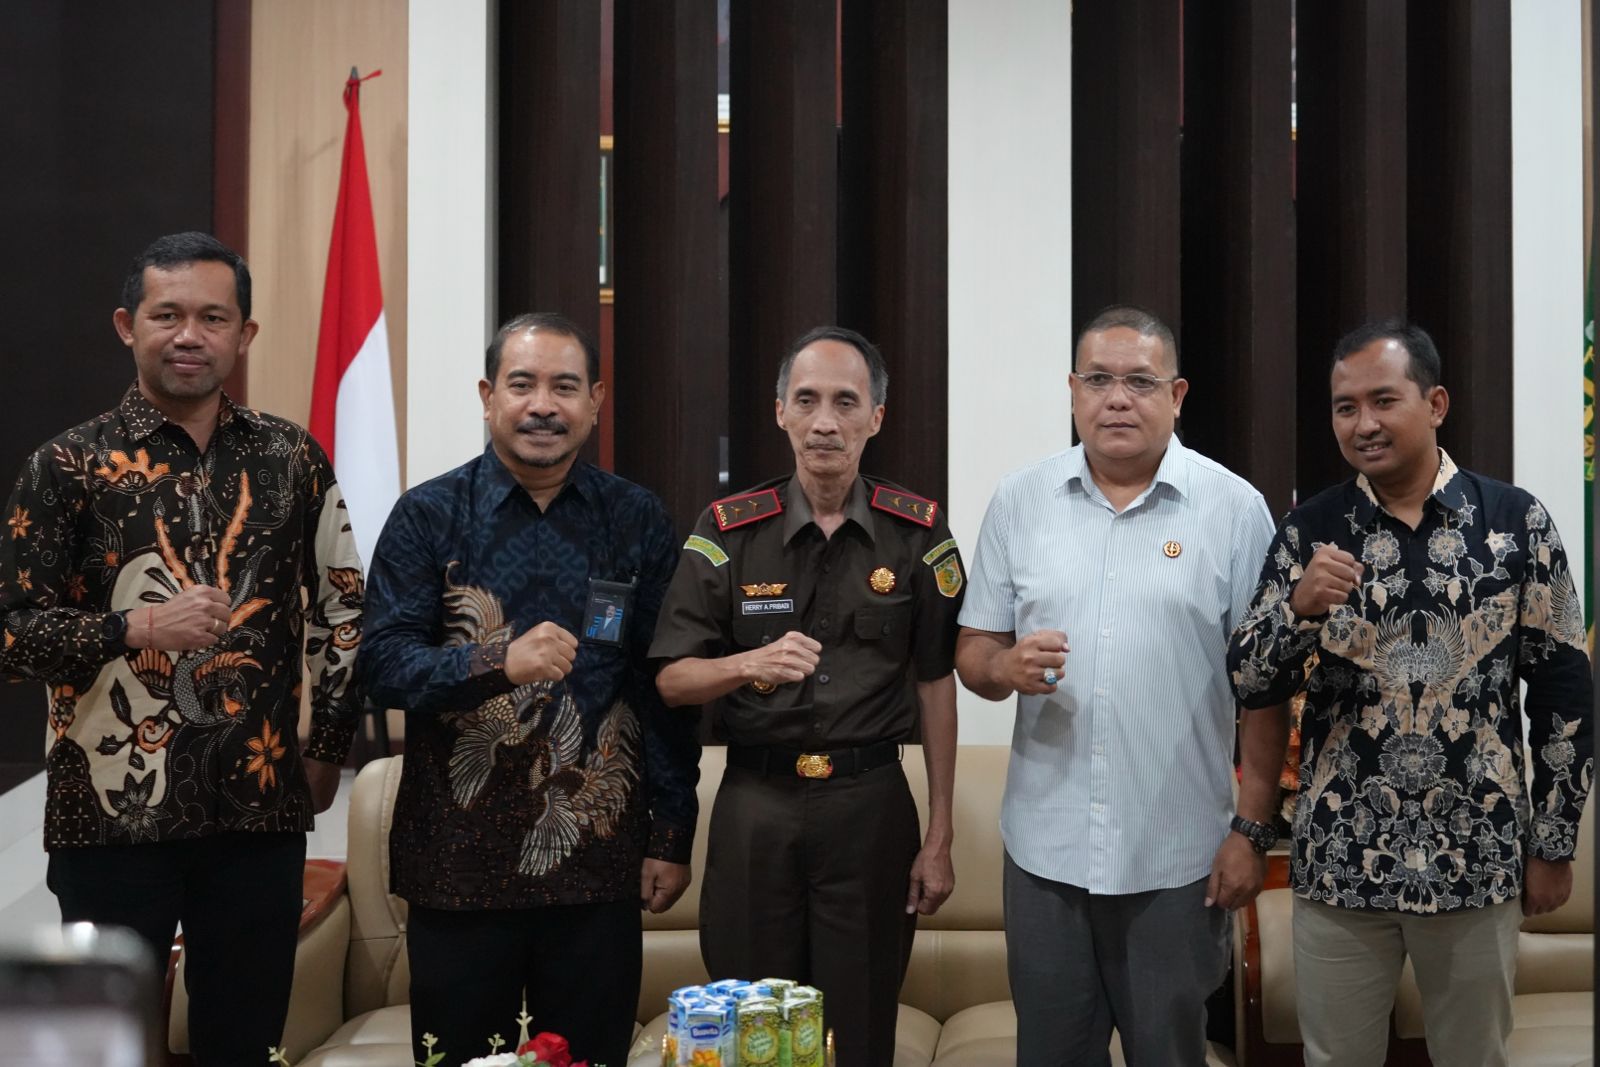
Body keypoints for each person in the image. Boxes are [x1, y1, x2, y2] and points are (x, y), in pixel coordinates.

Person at [0, 231, 363, 1063]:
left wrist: (327, 747)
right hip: (109, 817)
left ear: (245, 333)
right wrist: (131, 629)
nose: (189, 335)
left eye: (213, 317)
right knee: (111, 1043)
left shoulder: (291, 457)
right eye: (167, 315)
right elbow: (12, 633)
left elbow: (344, 606)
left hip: (259, 812)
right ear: (127, 324)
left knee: (244, 1041)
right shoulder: (65, 465)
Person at [1227, 320, 1593, 1067]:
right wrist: (1298, 609)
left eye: (1383, 400)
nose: (1363, 423)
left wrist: (1554, 844)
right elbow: (1249, 681)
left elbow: (1565, 694)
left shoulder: (1515, 523)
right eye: (1345, 407)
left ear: (1436, 403)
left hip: (1476, 855)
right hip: (1341, 859)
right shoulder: (1310, 530)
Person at [356, 312, 699, 1067]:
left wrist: (672, 831)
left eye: (565, 387)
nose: (543, 405)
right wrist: (496, 662)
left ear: (595, 401)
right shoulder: (428, 515)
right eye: (523, 384)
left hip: (596, 867)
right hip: (457, 869)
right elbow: (379, 666)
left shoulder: (635, 518)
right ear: (489, 397)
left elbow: (664, 685)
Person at [953, 305, 1286, 1067]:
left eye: (1140, 381)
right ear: (1073, 391)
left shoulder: (1235, 509)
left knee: (1170, 1054)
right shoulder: (1020, 500)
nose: (1117, 399)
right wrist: (1003, 669)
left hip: (1178, 858)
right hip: (1046, 852)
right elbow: (973, 651)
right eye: (1098, 380)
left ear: (1177, 394)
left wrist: (1251, 830)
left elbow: (1265, 688)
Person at [650, 326, 963, 1067]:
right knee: (752, 1027)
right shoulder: (728, 529)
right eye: (807, 400)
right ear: (781, 412)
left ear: (875, 417)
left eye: (845, 402)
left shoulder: (917, 532)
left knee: (859, 1030)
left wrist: (940, 834)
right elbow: (671, 678)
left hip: (870, 808)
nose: (825, 421)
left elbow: (936, 680)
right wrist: (747, 662)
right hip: (757, 807)